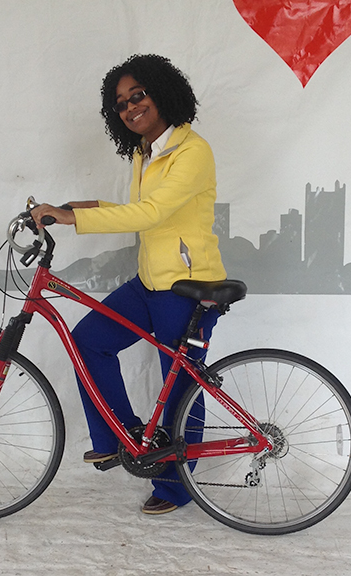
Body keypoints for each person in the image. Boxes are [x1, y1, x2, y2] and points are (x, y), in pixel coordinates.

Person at [31, 54, 227, 515]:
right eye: (120, 103)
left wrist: (75, 218)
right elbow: (143, 207)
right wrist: (84, 205)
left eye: (138, 95)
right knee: (89, 342)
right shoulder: (147, 151)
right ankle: (121, 439)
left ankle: (175, 488)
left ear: (163, 91)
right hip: (149, 283)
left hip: (188, 287)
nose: (130, 107)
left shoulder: (191, 151)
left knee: (179, 387)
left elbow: (153, 213)